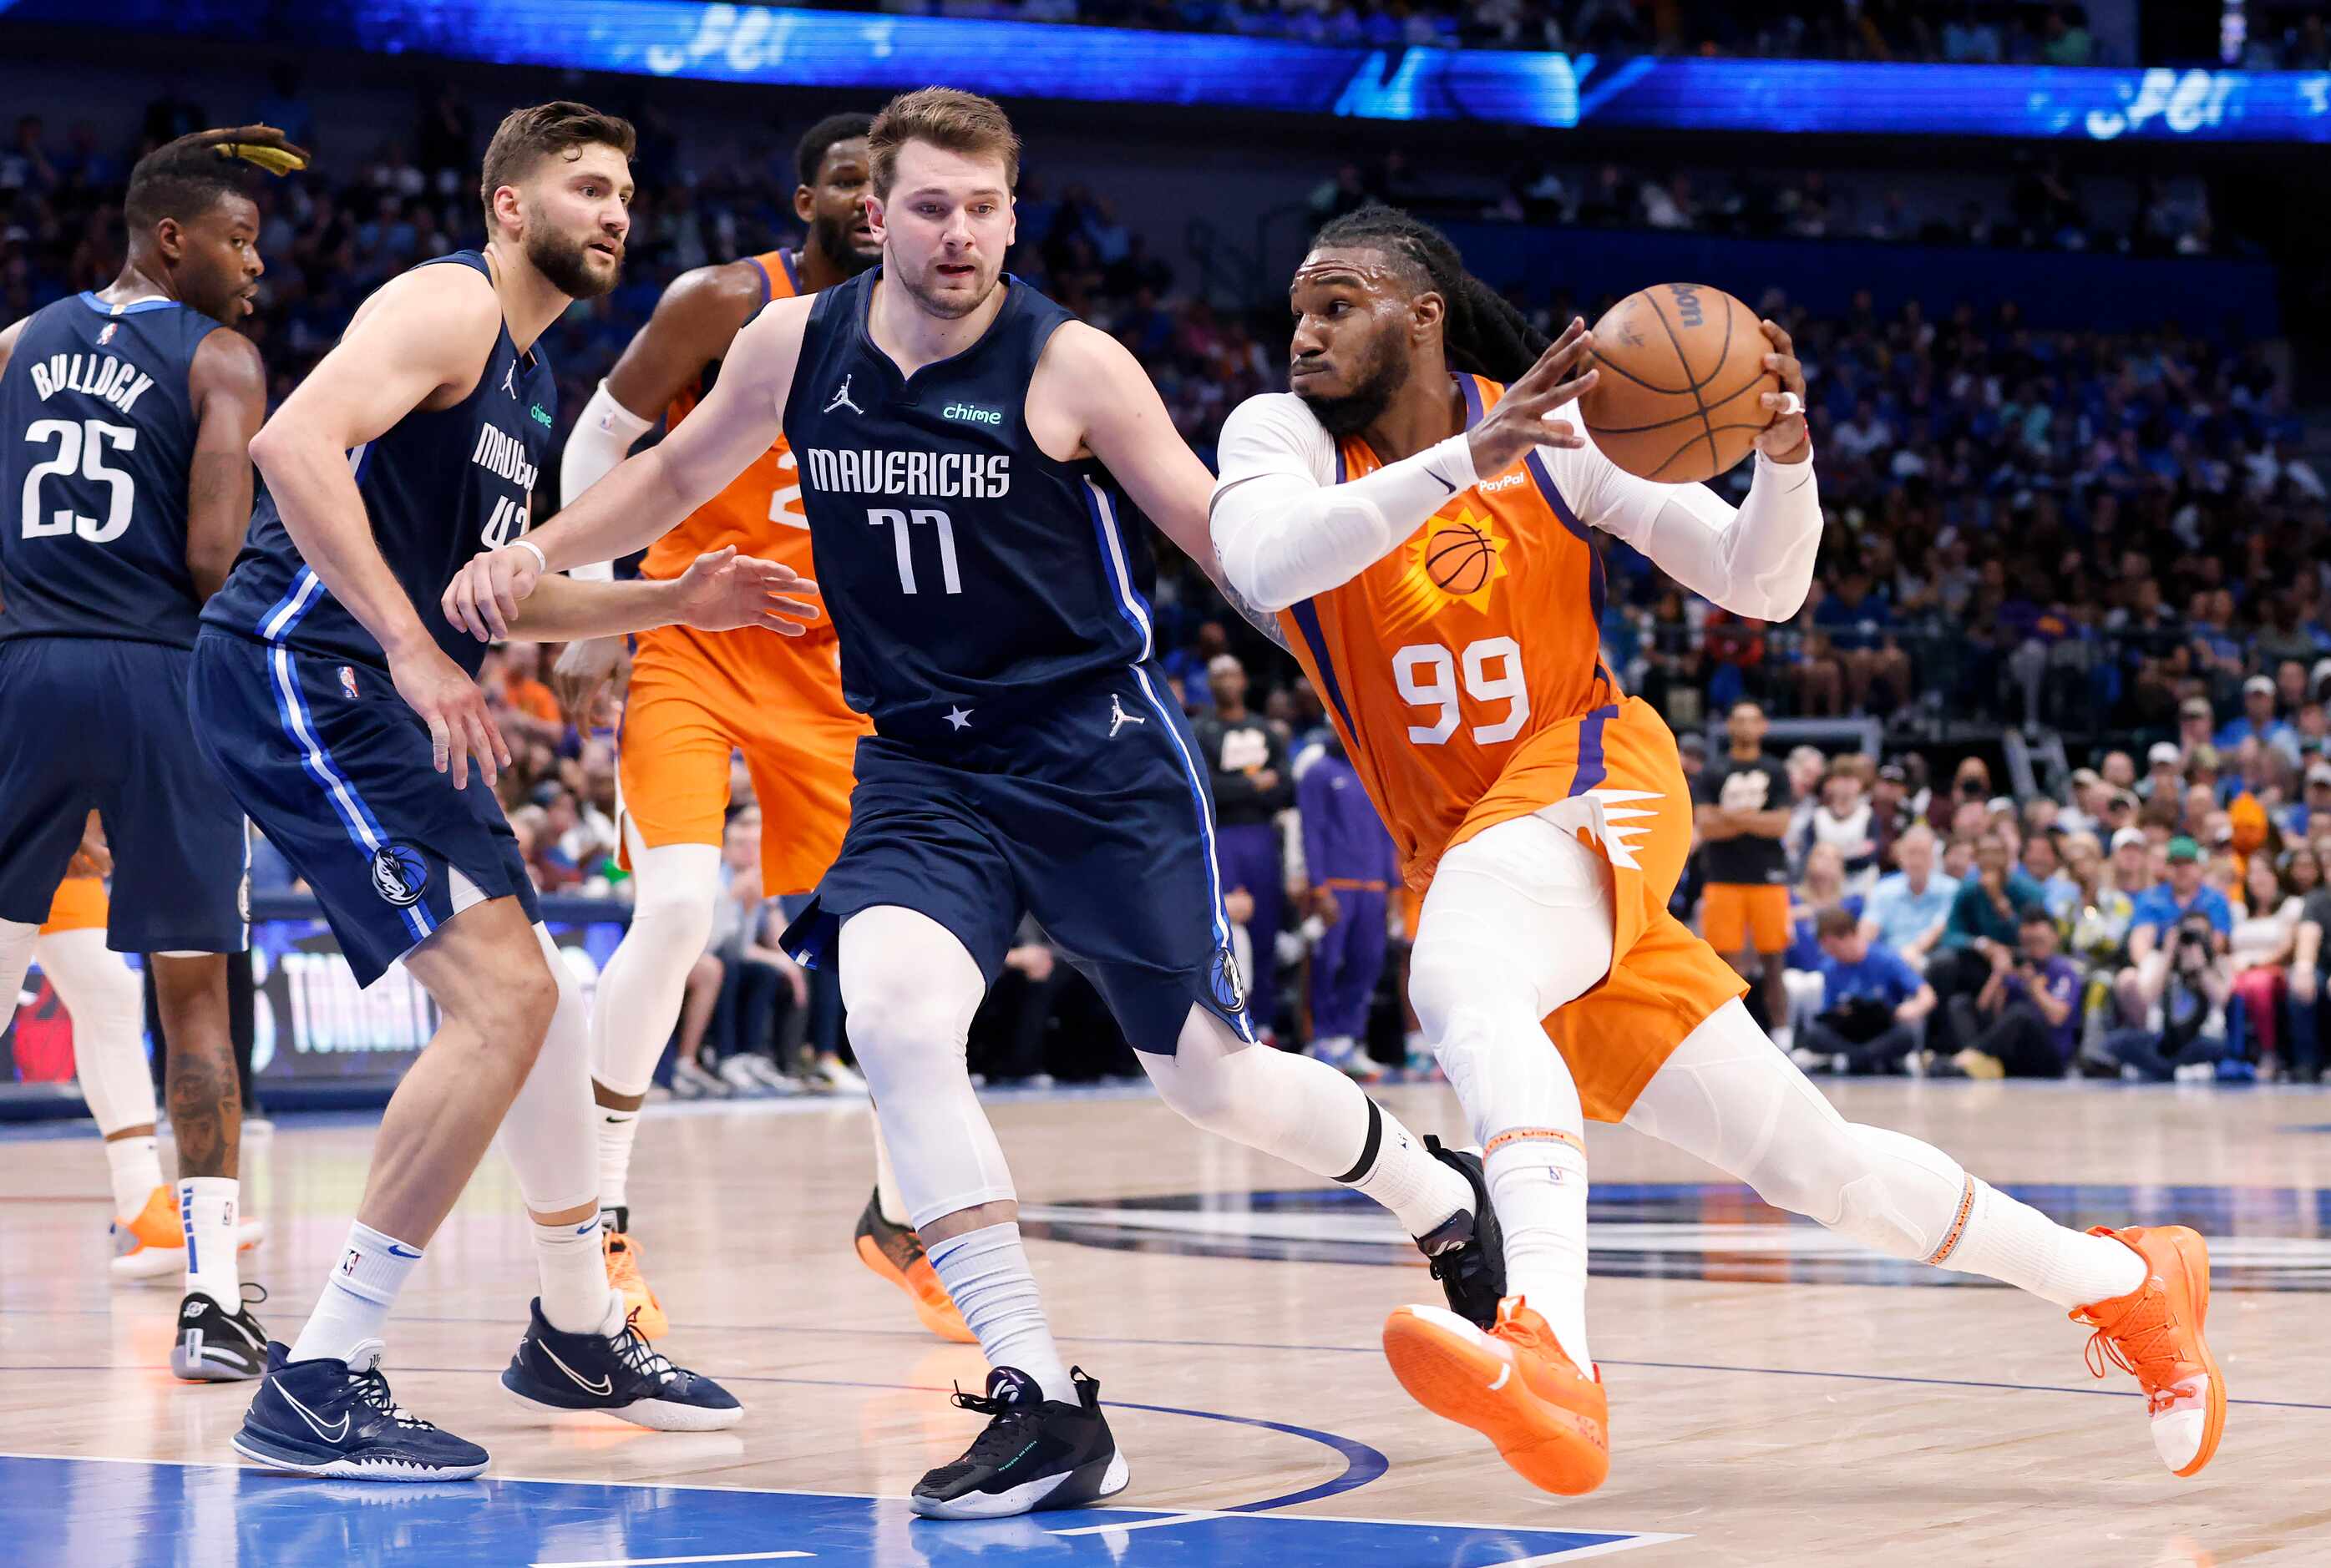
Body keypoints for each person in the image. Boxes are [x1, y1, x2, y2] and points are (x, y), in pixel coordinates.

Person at [448, 89, 1504, 1520]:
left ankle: (1431, 1190)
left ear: (1015, 211)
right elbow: (673, 472)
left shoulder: (1072, 364)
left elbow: (1230, 551)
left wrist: (1378, 651)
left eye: (985, 207)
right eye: (931, 206)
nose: (959, 233)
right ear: (874, 214)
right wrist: (532, 557)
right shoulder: (789, 343)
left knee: (1210, 1080)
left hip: (1092, 754)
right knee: (886, 1011)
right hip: (921, 762)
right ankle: (1040, 1396)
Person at [1205, 205, 2221, 1496]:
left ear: (1420, 315)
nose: (1302, 329)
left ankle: (1550, 1352)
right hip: (1473, 851)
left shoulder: (1559, 442)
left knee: (1458, 983)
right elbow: (1259, 553)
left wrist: (1784, 464)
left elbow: (1759, 583)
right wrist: (1467, 454)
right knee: (1820, 1169)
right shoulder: (1282, 434)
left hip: (1586, 776)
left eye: (1335, 303)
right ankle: (2131, 1283)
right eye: (1298, 305)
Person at [191, 103, 778, 1479]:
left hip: (387, 688)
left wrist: (674, 594)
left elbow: (502, 602)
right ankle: (320, 1375)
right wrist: (407, 647)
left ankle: (576, 1326)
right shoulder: (450, 300)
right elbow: (291, 445)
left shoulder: (522, 384)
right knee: (506, 1001)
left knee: (546, 1006)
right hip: (311, 667)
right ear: (506, 205)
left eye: (625, 192)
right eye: (585, 187)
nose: (615, 212)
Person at [549, 112, 932, 1340]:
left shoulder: (931, 326)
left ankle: (902, 1219)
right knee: (671, 912)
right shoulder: (723, 300)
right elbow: (605, 433)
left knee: (886, 956)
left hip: (833, 672)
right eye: (853, 182)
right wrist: (595, 603)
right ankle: (599, 1218)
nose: (876, 203)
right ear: (805, 192)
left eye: (898, 186)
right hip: (692, 638)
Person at [0, 126, 302, 1379]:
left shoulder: (17, 345)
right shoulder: (222, 358)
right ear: (168, 237)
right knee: (192, 994)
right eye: (238, 242)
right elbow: (208, 562)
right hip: (160, 675)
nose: (254, 270)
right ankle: (213, 1299)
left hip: (22, 665)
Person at [1195, 650, 1295, 1039]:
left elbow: (1285, 783)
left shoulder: (1265, 730)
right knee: (1229, 930)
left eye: (1232, 674)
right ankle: (1233, 1019)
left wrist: (1250, 788)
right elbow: (1208, 787)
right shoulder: (1202, 730)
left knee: (1267, 926)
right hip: (1223, 836)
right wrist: (1254, 784)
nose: (1226, 682)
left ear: (1244, 680)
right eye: (1217, 675)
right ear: (1210, 684)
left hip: (1262, 836)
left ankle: (1267, 1022)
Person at [1297, 730, 1399, 1077]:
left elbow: (1389, 832)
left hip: (1372, 884)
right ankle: (1321, 1040)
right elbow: (1311, 831)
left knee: (1367, 962)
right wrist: (1320, 888)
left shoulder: (1375, 771)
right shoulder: (1318, 771)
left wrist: (1392, 886)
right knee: (1327, 964)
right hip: (1336, 884)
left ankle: (1350, 1041)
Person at [1695, 700, 1795, 1046]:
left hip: (1768, 877)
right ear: (1729, 726)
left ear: (1763, 726)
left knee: (1773, 960)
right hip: (1722, 876)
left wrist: (1731, 819)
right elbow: (1705, 826)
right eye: (1739, 719)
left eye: (1753, 720)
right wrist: (1756, 819)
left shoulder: (1775, 770)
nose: (1746, 726)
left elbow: (1781, 824)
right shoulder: (1713, 770)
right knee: (1724, 962)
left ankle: (1783, 1035)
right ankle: (1727, 1037)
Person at [2114, 836, 2234, 1029]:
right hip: (2162, 957)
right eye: (2176, 864)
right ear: (2167, 867)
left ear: (2198, 866)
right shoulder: (2152, 898)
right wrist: (2166, 958)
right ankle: (2147, 1036)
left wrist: (2195, 957)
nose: (2182, 870)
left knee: (2225, 969)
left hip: (2201, 958)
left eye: (2187, 863)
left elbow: (2218, 942)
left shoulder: (2215, 900)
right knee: (2128, 978)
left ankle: (2215, 1037)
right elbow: (2140, 943)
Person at [1800, 908, 1934, 1075]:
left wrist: (1913, 1008)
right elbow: (1828, 1010)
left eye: (1835, 948)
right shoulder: (1830, 968)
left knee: (1906, 1034)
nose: (1833, 954)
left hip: (1882, 1028)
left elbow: (1926, 995)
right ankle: (1864, 1057)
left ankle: (1853, 1059)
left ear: (1850, 935)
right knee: (1815, 1033)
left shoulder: (1886, 958)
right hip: (1849, 1030)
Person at [1949, 908, 2080, 1079]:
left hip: (2049, 1056)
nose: (2033, 948)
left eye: (2039, 941)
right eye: (2028, 942)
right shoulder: (2019, 966)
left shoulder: (2062, 970)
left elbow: (2057, 1017)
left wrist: (2034, 988)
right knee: (1961, 1003)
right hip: (2013, 1053)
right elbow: (1985, 1010)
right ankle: (1973, 1062)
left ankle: (1967, 1059)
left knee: (2021, 1013)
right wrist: (1998, 974)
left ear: (2055, 939)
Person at [2227, 850, 2302, 1076]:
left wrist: (2254, 964)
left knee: (2256, 984)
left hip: (2275, 970)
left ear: (2276, 876)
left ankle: (2270, 1053)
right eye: (2252, 873)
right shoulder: (2239, 912)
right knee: (2229, 985)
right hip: (2238, 971)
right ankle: (2231, 1054)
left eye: (2263, 872)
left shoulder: (2291, 906)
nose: (2257, 878)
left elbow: (2288, 946)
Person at [1860, 823, 1958, 971]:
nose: (1917, 861)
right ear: (1901, 857)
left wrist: (1915, 950)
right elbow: (1867, 931)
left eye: (1923, 854)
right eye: (1912, 853)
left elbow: (1940, 926)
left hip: (1932, 959)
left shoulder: (1951, 888)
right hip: (1890, 958)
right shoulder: (1883, 889)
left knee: (1945, 960)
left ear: (1933, 857)